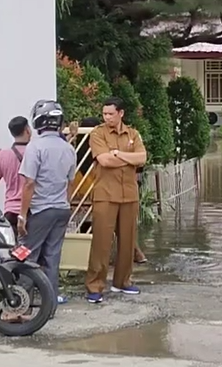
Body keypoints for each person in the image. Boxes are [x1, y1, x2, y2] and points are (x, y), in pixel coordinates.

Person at [84, 96, 147, 304]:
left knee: (128, 241)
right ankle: (95, 286)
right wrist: (129, 160)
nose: (107, 117)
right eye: (104, 114)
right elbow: (104, 160)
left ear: (121, 113)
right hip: (105, 194)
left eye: (111, 114)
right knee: (101, 242)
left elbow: (142, 158)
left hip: (129, 194)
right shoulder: (98, 133)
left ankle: (123, 281)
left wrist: (118, 154)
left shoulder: (133, 134)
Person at [17, 100, 77, 307]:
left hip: (41, 210)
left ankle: (21, 303)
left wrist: (22, 215)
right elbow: (70, 183)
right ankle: (49, 302)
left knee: (28, 255)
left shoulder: (35, 147)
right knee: (52, 257)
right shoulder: (69, 149)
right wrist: (65, 204)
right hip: (62, 209)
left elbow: (29, 183)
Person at [0, 116, 31, 238]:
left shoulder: (2, 155)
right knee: (30, 247)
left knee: (13, 245)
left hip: (11, 210)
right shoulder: (36, 153)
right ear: (27, 130)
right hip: (31, 210)